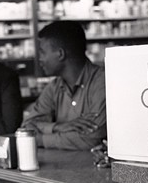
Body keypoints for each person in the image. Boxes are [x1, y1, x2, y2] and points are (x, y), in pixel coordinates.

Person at [22, 21, 106, 150]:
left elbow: (92, 138)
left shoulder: (102, 82)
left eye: (42, 52)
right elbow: (26, 127)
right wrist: (58, 127)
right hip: (58, 167)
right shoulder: (54, 87)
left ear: (60, 54)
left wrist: (40, 139)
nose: (39, 59)